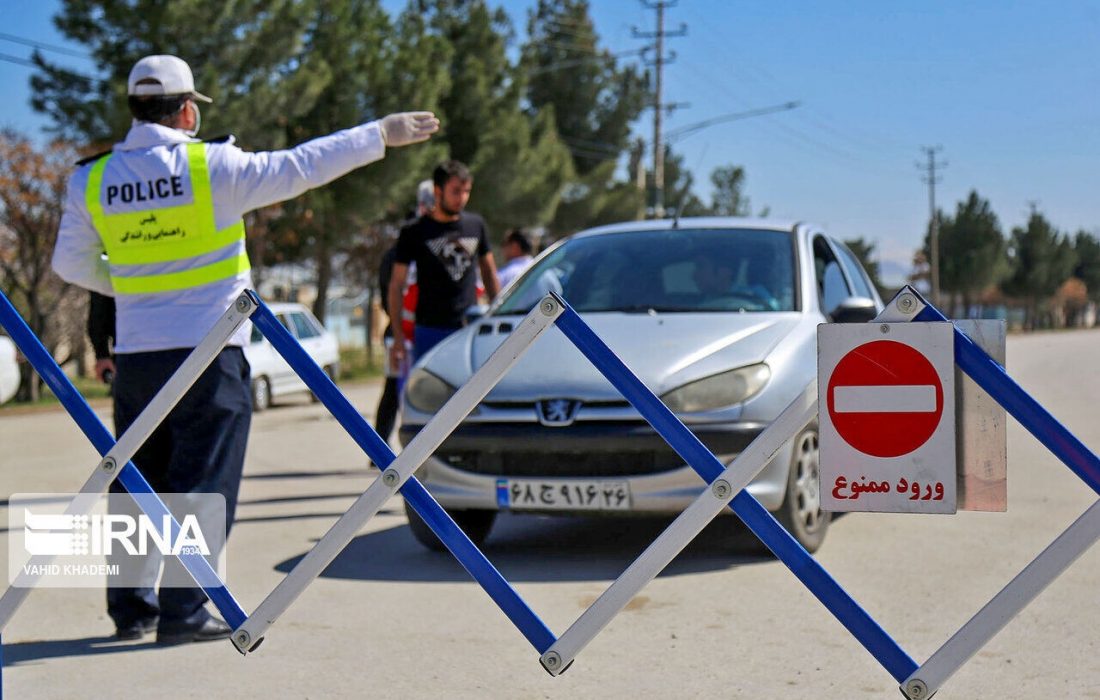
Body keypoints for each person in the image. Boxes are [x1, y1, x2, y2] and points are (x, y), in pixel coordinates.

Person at [51, 54, 439, 645]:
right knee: (203, 478)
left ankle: (130, 608)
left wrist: (135, 283)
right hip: (210, 350)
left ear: (134, 110)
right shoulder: (213, 167)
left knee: (135, 477)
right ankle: (183, 612)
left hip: (137, 354)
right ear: (187, 110)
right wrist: (378, 135)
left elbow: (68, 263)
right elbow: (302, 165)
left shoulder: (92, 179)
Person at [387, 160, 500, 371]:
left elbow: (489, 271)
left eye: (466, 191)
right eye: (456, 191)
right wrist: (398, 338)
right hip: (429, 330)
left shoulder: (476, 225)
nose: (462, 198)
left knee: (473, 397)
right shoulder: (414, 231)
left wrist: (498, 314)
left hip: (470, 327)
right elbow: (396, 285)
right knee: (431, 399)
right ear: (438, 190)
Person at [373, 180, 432, 448]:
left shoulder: (391, 256)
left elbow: (385, 296)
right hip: (407, 332)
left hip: (398, 330)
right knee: (402, 392)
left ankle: (378, 446)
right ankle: (389, 446)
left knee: (393, 393)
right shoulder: (408, 254)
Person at [87, 290, 116, 385]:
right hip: (128, 350)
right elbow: (99, 307)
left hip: (129, 350)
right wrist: (102, 354)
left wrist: (102, 354)